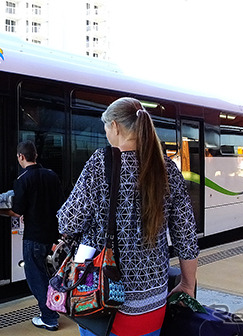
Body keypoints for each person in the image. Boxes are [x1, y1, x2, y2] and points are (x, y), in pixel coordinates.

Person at [57, 97, 199, 336]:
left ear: (115, 126)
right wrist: (187, 284)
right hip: (152, 302)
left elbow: (68, 221)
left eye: (105, 127)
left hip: (100, 298)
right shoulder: (167, 169)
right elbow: (186, 236)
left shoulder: (99, 164)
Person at [10, 140, 64, 331]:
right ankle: (57, 306)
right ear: (36, 156)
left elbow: (17, 211)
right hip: (52, 235)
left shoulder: (22, 179)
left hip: (33, 237)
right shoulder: (51, 176)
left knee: (36, 278)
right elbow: (61, 204)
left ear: (21, 157)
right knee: (48, 275)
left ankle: (49, 317)